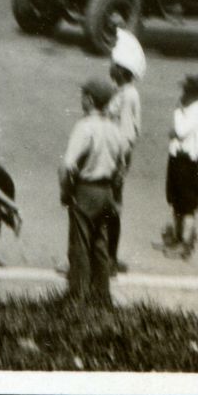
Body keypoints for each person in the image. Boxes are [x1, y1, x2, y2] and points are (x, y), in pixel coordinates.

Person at [60, 76, 126, 306]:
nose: (81, 100)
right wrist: (115, 194)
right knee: (101, 244)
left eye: (83, 96)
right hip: (106, 190)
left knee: (80, 242)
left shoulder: (85, 127)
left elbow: (68, 164)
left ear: (89, 100)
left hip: (86, 189)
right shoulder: (115, 129)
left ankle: (78, 295)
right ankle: (102, 295)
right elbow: (121, 166)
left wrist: (66, 190)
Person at [157, 75, 198, 259]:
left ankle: (185, 242)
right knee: (175, 199)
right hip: (177, 158)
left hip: (188, 161)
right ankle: (177, 236)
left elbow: (179, 131)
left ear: (197, 94)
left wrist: (177, 111)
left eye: (187, 91)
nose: (183, 94)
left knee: (186, 202)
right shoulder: (189, 108)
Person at [107, 27, 147, 271]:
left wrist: (119, 162)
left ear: (122, 69)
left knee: (111, 206)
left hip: (115, 158)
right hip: (113, 155)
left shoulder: (128, 96)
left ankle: (109, 257)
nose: (109, 66)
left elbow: (127, 133)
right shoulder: (121, 92)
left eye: (113, 63)